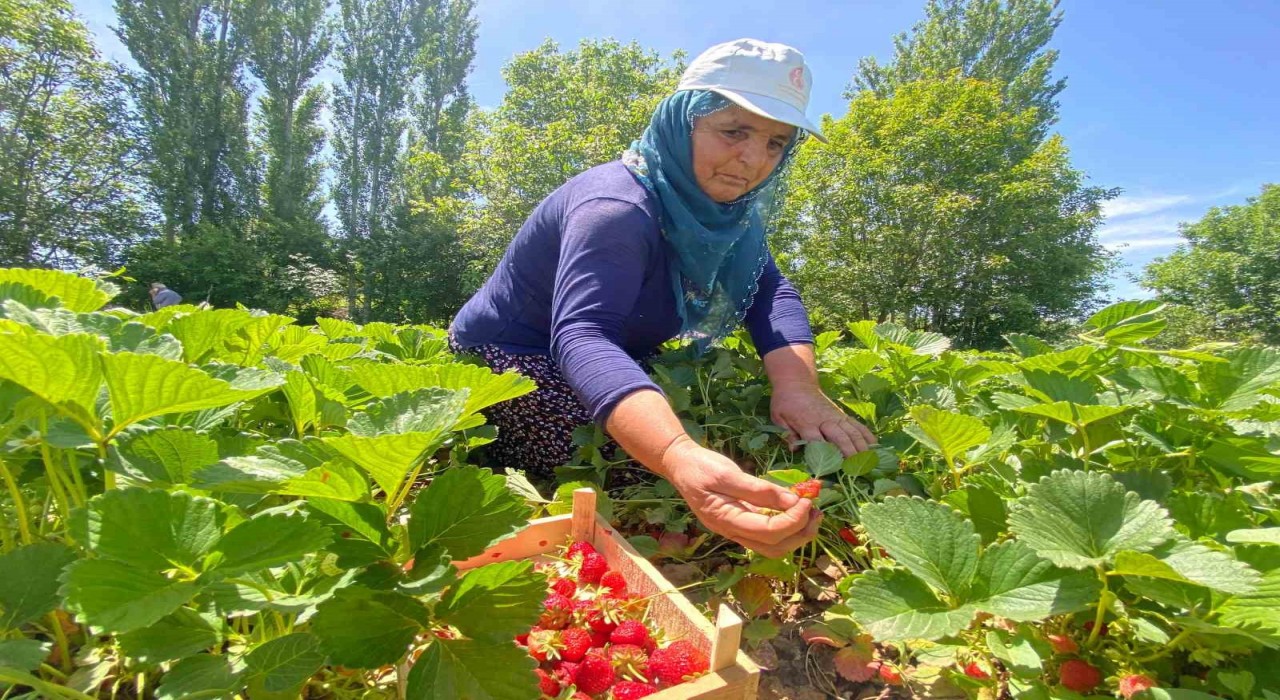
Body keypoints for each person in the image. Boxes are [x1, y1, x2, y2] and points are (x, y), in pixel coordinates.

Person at [450, 39, 876, 558]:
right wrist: (677, 455)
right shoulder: (616, 207)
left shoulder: (725, 212)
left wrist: (798, 388)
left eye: (775, 143)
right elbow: (583, 334)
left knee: (728, 425)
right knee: (636, 464)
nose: (752, 159)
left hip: (615, 350)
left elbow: (770, 291)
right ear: (681, 122)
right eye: (733, 131)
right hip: (513, 357)